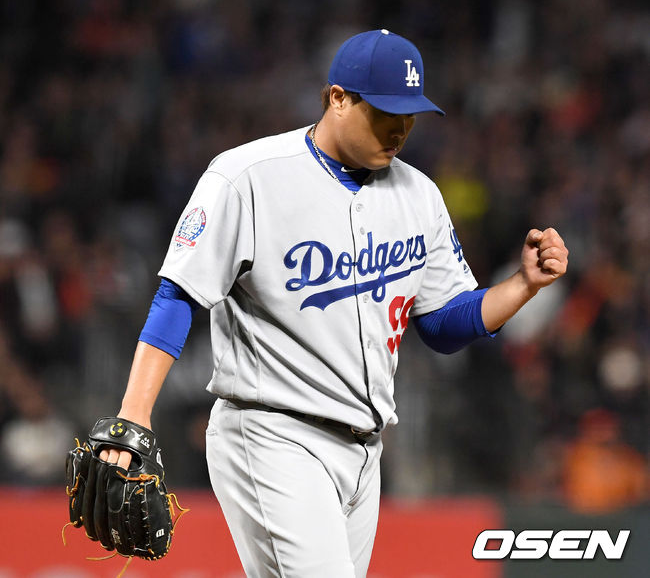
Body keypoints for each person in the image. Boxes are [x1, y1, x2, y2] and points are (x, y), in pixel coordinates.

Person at [99, 29, 568, 577]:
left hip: (365, 450)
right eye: (385, 112)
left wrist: (522, 286)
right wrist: (134, 414)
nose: (400, 129)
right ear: (337, 98)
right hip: (273, 433)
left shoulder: (420, 195)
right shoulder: (248, 177)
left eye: (410, 114)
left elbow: (442, 325)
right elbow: (178, 295)